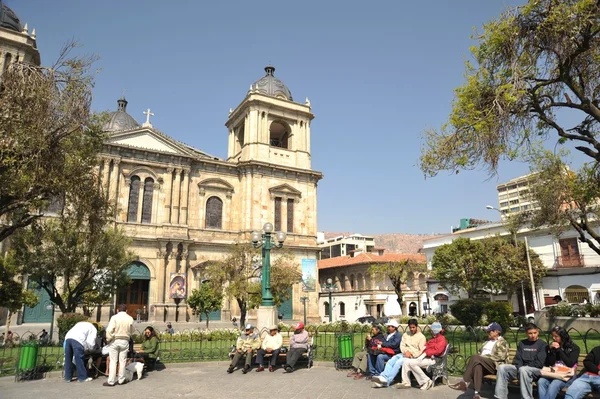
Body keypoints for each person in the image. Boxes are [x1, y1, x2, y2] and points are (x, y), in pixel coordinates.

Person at [449, 322, 509, 399]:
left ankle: (463, 382)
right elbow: (479, 352)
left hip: (495, 365)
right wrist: (481, 358)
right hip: (484, 364)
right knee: (478, 366)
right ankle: (477, 394)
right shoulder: (487, 342)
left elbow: (500, 356)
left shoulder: (502, 342)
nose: (488, 333)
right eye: (487, 331)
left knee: (475, 357)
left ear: (497, 332)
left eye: (489, 331)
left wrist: (483, 357)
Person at [495, 323, 547, 399]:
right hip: (521, 370)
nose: (533, 335)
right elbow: (518, 359)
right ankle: (500, 397)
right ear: (526, 333)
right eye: (530, 333)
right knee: (502, 368)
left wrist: (523, 368)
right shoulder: (522, 343)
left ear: (538, 332)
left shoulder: (542, 344)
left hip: (536, 371)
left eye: (535, 333)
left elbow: (539, 363)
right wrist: (519, 368)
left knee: (524, 370)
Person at [372, 318, 427, 388]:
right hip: (403, 354)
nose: (412, 329)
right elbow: (402, 346)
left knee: (398, 362)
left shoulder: (421, 337)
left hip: (412, 357)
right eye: (410, 327)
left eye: (413, 327)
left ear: (417, 326)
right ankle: (383, 377)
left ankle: (387, 381)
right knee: (391, 361)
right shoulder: (406, 334)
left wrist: (411, 354)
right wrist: (405, 352)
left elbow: (421, 351)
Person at [398, 321, 447, 390]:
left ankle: (426, 381)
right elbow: (426, 346)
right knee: (406, 362)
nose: (431, 331)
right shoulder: (433, 338)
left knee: (412, 364)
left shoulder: (441, 339)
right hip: (427, 358)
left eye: (432, 330)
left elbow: (438, 351)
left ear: (435, 331)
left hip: (434, 359)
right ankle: (406, 382)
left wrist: (426, 353)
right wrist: (423, 350)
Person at [538, 326, 580, 399]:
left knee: (555, 383)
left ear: (563, 336)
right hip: (555, 373)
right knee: (541, 381)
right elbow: (551, 363)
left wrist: (559, 350)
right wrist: (551, 351)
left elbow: (570, 364)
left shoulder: (574, 348)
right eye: (553, 336)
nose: (553, 338)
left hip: (568, 375)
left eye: (556, 336)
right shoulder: (552, 346)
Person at [104, 304, 135, 387]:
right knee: (122, 361)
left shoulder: (114, 317)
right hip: (125, 340)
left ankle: (111, 381)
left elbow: (109, 330)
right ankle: (121, 379)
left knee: (113, 361)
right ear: (126, 310)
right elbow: (132, 331)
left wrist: (108, 339)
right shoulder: (130, 318)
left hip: (115, 340)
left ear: (118, 310)